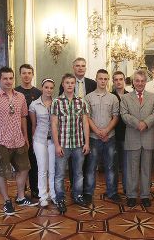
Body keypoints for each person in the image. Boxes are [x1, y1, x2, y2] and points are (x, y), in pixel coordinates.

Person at [0, 67, 38, 216]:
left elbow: (23, 117)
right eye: (5, 78)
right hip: (1, 141)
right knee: (2, 172)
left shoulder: (20, 96)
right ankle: (7, 201)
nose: (8, 81)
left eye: (10, 78)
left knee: (24, 168)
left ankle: (21, 197)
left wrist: (26, 137)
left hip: (19, 140)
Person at [121, 69, 154, 207]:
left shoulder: (153, 97)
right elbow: (124, 114)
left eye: (142, 81)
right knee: (131, 169)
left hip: (148, 137)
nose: (140, 83)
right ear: (133, 82)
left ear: (146, 82)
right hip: (132, 137)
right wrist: (138, 123)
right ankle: (131, 195)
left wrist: (146, 123)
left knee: (147, 169)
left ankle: (145, 195)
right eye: (137, 80)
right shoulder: (125, 98)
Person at [51, 73, 90, 214]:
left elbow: (85, 123)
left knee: (79, 173)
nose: (69, 85)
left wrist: (87, 143)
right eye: (67, 82)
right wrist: (56, 145)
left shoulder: (81, 101)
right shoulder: (56, 102)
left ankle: (77, 195)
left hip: (79, 144)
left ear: (75, 84)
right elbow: (54, 125)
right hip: (62, 145)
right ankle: (60, 198)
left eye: (72, 83)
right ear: (63, 84)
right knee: (60, 174)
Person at [84, 69, 121, 203]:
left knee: (110, 166)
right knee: (91, 166)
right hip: (94, 138)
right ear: (96, 79)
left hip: (109, 137)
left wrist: (106, 131)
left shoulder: (113, 97)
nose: (103, 81)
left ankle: (112, 192)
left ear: (108, 80)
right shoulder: (88, 97)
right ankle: (88, 193)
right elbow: (86, 117)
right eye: (101, 78)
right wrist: (98, 131)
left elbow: (115, 116)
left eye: (106, 79)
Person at [15, 64, 42, 199]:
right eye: (24, 73)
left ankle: (35, 189)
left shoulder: (38, 93)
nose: (26, 75)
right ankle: (21, 190)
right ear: (20, 75)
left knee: (34, 163)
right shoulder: (14, 92)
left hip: (34, 134)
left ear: (32, 75)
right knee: (20, 164)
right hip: (17, 134)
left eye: (29, 73)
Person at [29, 78, 56, 207]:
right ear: (42, 88)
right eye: (46, 87)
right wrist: (34, 141)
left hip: (53, 141)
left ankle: (53, 194)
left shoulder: (57, 103)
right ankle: (43, 196)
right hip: (39, 140)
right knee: (42, 169)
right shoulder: (34, 104)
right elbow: (33, 125)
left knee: (52, 169)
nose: (49, 90)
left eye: (51, 88)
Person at [111, 71, 129, 194]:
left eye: (120, 79)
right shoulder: (109, 96)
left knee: (126, 165)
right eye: (116, 79)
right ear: (113, 81)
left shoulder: (130, 95)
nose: (118, 81)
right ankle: (113, 190)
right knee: (113, 165)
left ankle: (127, 189)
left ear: (124, 81)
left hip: (128, 135)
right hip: (112, 135)